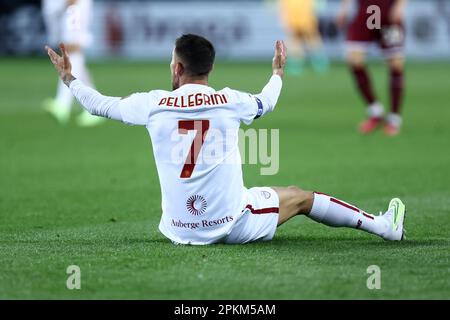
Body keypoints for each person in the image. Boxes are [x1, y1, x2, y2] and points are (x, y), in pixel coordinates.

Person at [45, 34, 406, 245]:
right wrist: (278, 72)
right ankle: (384, 227)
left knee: (245, 196)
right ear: (210, 69)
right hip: (230, 224)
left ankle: (191, 217)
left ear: (176, 68)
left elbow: (100, 106)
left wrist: (69, 80)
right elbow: (268, 100)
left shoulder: (153, 104)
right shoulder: (231, 100)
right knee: (301, 197)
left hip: (176, 228)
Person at [336, 0, 407, 136]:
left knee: (396, 64)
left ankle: (394, 119)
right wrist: (344, 8)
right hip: (366, 13)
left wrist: (399, 6)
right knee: (353, 59)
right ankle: (375, 111)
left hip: (388, 14)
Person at [42, 0, 104, 127]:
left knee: (72, 48)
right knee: (72, 53)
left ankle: (62, 103)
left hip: (74, 6)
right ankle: (96, 106)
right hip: (61, 6)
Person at [278, 0, 329, 75]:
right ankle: (296, 65)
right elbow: (283, 10)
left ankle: (320, 63)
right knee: (295, 44)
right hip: (293, 20)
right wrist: (285, 22)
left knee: (313, 41)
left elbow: (314, 6)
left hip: (307, 20)